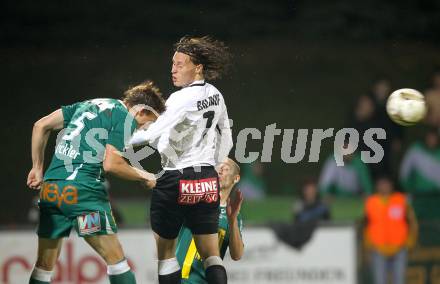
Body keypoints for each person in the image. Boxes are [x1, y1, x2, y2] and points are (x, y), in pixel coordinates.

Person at [26, 81, 166, 284]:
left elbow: (41, 125)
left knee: (44, 266)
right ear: (141, 111)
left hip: (51, 190)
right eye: (147, 122)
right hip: (82, 194)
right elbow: (112, 164)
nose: (143, 127)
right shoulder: (125, 117)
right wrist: (146, 176)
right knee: (116, 261)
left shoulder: (89, 105)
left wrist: (37, 167)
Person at [128, 36, 233, 284]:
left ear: (197, 67)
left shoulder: (179, 98)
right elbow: (226, 133)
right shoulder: (216, 95)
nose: (173, 69)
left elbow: (152, 132)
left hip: (176, 177)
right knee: (211, 256)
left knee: (166, 255)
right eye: (172, 64)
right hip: (206, 179)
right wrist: (217, 162)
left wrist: (114, 139)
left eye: (179, 64)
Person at [176, 158, 243, 284]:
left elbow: (237, 255)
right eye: (218, 167)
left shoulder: (234, 216)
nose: (220, 171)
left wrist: (232, 220)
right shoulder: (195, 198)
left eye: (226, 168)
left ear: (236, 178)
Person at [363, 176, 418, 284]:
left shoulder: (401, 200)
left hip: (399, 248)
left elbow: (412, 222)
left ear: (391, 185)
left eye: (386, 183)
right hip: (378, 248)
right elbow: (366, 225)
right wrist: (367, 245)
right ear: (377, 186)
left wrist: (411, 241)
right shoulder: (371, 202)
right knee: (380, 281)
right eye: (381, 184)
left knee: (400, 281)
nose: (384, 186)